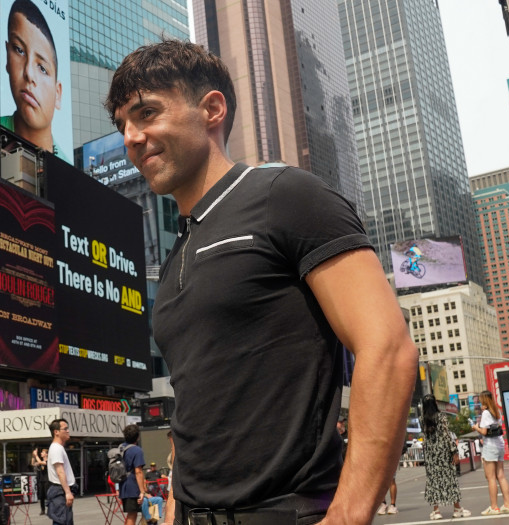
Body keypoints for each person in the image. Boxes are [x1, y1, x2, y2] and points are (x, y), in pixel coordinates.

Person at [105, 40, 418, 523]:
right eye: (123, 124)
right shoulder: (174, 258)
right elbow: (192, 415)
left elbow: (389, 348)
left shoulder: (287, 196)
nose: (131, 136)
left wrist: (348, 516)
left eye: (146, 113)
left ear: (211, 109)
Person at [2, 0, 69, 161]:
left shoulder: (65, 167)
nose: (29, 74)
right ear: (6, 55)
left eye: (42, 68)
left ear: (58, 93)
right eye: (19, 50)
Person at [421, 396, 470, 520]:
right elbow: (446, 435)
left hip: (431, 455)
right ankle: (457, 508)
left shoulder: (422, 419)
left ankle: (436, 511)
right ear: (434, 403)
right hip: (443, 454)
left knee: (433, 481)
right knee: (450, 479)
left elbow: (426, 438)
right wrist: (454, 451)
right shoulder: (441, 417)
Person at [472, 391, 509, 515]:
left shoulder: (485, 413)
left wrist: (475, 427)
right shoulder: (496, 411)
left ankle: (494, 507)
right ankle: (508, 505)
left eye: (480, 400)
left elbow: (484, 432)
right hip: (500, 444)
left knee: (490, 478)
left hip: (490, 445)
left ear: (484, 400)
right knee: (500, 475)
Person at [45, 418, 75, 525]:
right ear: (56, 432)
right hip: (60, 491)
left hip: (60, 491)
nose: (68, 431)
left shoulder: (58, 448)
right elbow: (60, 471)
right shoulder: (56, 448)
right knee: (63, 521)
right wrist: (67, 492)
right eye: (65, 429)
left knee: (64, 521)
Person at [117, 424, 146, 525]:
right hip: (132, 487)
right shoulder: (137, 450)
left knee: (130, 514)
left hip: (123, 485)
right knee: (132, 515)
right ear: (137, 436)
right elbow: (138, 471)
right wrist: (142, 491)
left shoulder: (120, 448)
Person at [30, 447, 49, 515]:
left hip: (47, 480)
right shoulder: (40, 461)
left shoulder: (48, 461)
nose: (41, 453)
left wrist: (36, 455)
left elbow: (41, 462)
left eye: (42, 452)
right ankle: (42, 510)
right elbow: (33, 463)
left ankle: (50, 509)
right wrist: (33, 456)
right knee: (41, 496)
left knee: (48, 495)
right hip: (41, 480)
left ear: (46, 454)